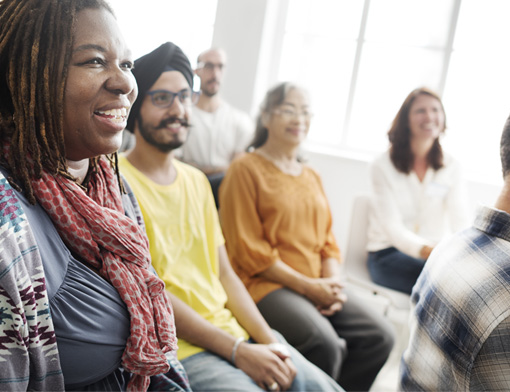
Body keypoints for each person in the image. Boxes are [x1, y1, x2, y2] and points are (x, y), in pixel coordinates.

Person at [0, 0, 188, 391]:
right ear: (24, 75)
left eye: (126, 63)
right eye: (94, 60)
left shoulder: (105, 182)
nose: (126, 82)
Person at [119, 42, 342, 392]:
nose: (177, 109)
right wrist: (238, 352)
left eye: (184, 96)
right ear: (135, 107)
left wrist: (269, 342)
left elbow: (224, 274)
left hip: (234, 330)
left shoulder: (196, 181)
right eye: (161, 98)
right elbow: (150, 292)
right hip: (184, 350)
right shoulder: (115, 182)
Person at [218, 82, 394, 391]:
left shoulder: (311, 175)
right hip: (265, 284)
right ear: (266, 117)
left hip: (316, 283)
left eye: (305, 111)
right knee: (323, 342)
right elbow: (248, 251)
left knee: (380, 335)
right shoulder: (244, 169)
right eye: (288, 110)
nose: (298, 119)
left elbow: (327, 241)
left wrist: (332, 284)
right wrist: (311, 288)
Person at [400, 111, 510, 391]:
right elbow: (391, 226)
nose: (429, 118)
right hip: (395, 249)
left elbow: (457, 211)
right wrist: (421, 246)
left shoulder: (450, 246)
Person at [366, 87, 470, 294]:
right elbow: (392, 228)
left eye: (435, 110)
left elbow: (460, 220)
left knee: (462, 281)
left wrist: (467, 252)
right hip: (387, 254)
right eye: (420, 111)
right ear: (406, 120)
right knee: (447, 285)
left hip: (435, 256)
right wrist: (429, 251)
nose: (429, 116)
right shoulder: (381, 165)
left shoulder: (452, 166)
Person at [177, 47, 254, 207]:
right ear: (197, 71)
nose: (215, 73)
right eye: (209, 66)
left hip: (225, 198)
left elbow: (236, 170)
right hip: (187, 193)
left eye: (220, 66)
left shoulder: (239, 120)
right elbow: (174, 163)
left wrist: (200, 169)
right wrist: (219, 169)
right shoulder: (181, 115)